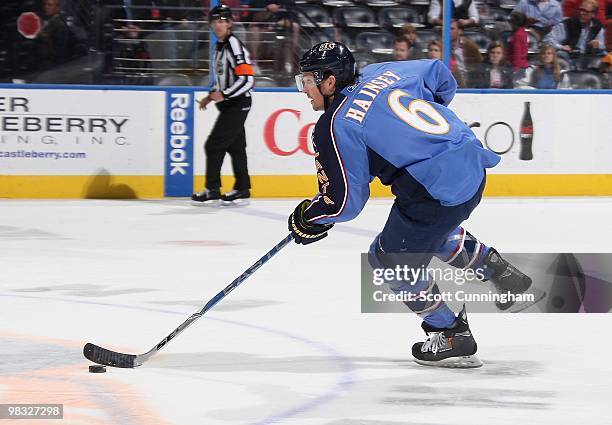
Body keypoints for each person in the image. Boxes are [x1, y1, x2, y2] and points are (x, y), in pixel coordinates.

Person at [289, 42, 533, 367]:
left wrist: (310, 216)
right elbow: (439, 72)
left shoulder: (335, 124)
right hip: (472, 164)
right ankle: (497, 269)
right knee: (424, 235)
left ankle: (450, 333)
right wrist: (425, 124)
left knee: (388, 259)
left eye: (307, 81)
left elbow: (344, 203)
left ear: (330, 81)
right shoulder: (385, 72)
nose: (305, 90)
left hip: (435, 190)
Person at [192, 4, 255, 205]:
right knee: (236, 147)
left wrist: (224, 95)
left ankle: (212, 189)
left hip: (238, 104)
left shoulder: (233, 45)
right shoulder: (219, 46)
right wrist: (211, 97)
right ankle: (243, 188)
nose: (218, 25)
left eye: (222, 21)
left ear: (230, 24)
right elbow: (222, 79)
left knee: (213, 145)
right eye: (215, 21)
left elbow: (247, 80)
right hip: (230, 104)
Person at [508, 11, 530, 81]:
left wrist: (515, 68)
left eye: (511, 21)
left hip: (517, 67)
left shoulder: (517, 35)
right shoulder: (523, 32)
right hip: (522, 65)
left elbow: (517, 53)